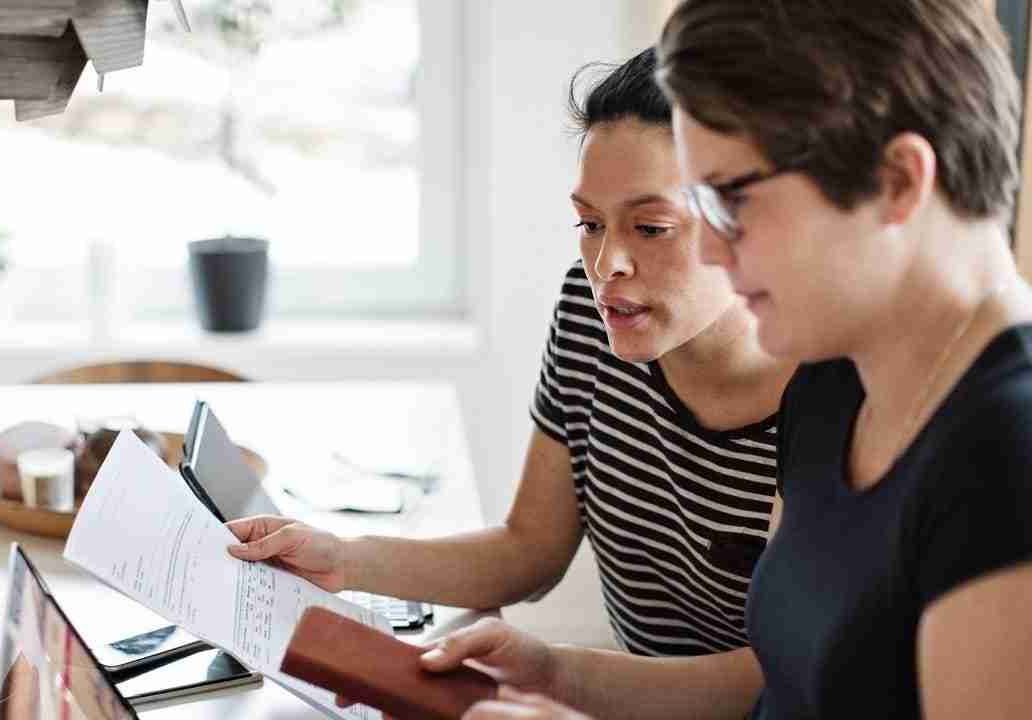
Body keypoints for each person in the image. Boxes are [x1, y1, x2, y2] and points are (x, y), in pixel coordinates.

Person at [420, 2, 1032, 718]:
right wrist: (555, 675)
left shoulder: (1008, 448)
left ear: (896, 181)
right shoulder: (830, 383)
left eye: (735, 199)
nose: (711, 247)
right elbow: (777, 688)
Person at [226, 46, 795, 670]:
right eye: (590, 224)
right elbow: (529, 551)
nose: (607, 265)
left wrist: (553, 676)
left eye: (651, 228)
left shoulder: (829, 391)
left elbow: (772, 680)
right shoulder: (592, 311)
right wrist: (344, 557)